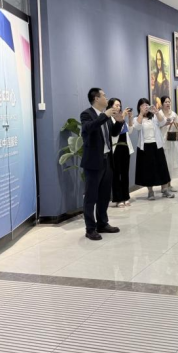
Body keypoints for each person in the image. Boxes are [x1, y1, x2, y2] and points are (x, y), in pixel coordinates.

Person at [80, 88, 123, 241]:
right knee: (91, 196)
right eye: (104, 95)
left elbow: (113, 133)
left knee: (104, 195)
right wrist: (105, 116)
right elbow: (88, 128)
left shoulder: (106, 116)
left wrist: (119, 121)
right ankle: (90, 229)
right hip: (93, 162)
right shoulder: (87, 114)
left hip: (107, 160)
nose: (106, 98)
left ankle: (102, 223)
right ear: (96, 98)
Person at [134, 98, 175, 200]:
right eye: (143, 105)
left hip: (157, 145)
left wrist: (156, 112)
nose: (145, 107)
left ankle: (165, 189)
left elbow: (163, 122)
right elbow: (137, 127)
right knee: (148, 170)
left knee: (162, 168)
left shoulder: (154, 117)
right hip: (144, 147)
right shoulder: (137, 118)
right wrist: (141, 113)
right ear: (139, 107)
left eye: (146, 105)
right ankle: (150, 192)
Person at [107, 98, 135, 208]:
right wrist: (122, 116)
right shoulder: (109, 119)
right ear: (111, 106)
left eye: (119, 105)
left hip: (125, 148)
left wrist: (130, 118)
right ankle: (118, 198)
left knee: (125, 174)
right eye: (116, 105)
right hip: (115, 149)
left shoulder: (122, 118)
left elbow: (130, 131)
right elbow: (114, 132)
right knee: (116, 174)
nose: (119, 107)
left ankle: (126, 196)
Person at [160, 96, 178, 194]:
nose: (168, 104)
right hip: (162, 142)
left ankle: (169, 184)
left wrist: (174, 123)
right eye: (165, 102)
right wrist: (165, 123)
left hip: (172, 141)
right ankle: (163, 185)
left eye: (169, 102)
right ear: (162, 104)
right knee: (164, 164)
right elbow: (156, 127)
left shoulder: (174, 114)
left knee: (171, 163)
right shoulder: (159, 114)